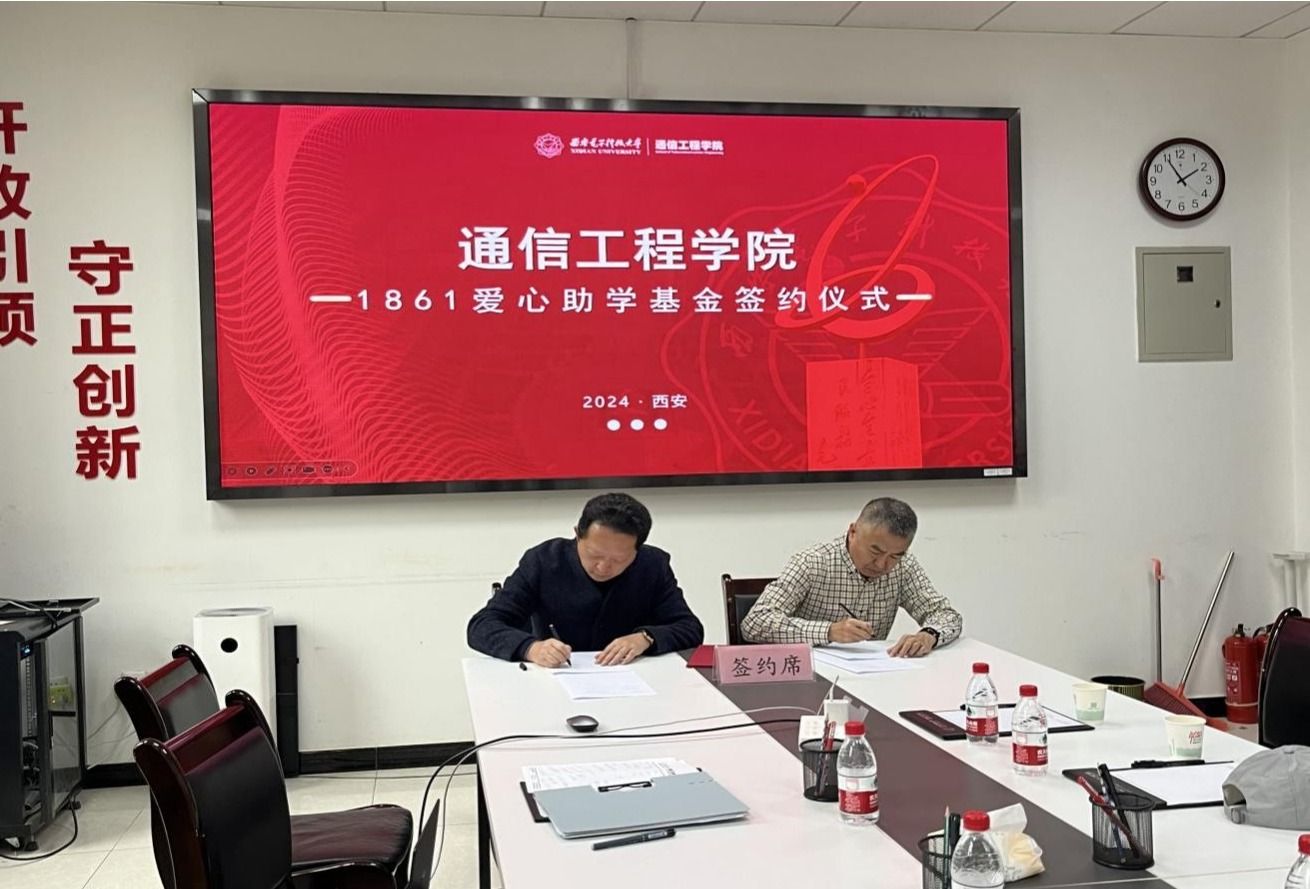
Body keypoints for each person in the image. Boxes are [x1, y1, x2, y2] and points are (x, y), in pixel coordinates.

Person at [467, 492, 704, 667]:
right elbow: (482, 626)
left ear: (637, 550)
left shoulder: (652, 565)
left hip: (632, 680)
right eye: (594, 554)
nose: (603, 567)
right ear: (577, 535)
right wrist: (531, 648)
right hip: (556, 679)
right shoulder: (544, 561)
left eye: (619, 559)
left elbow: (690, 628)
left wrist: (645, 638)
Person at [740, 497, 961, 657]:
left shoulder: (904, 567)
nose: (882, 565)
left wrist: (928, 635)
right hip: (810, 675)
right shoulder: (813, 562)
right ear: (853, 532)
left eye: (895, 555)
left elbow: (945, 614)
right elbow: (755, 622)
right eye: (875, 551)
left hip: (874, 675)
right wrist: (829, 631)